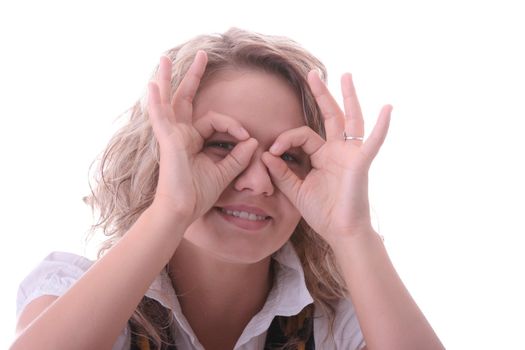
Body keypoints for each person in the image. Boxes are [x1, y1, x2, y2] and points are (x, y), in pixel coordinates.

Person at [11, 28, 444, 350]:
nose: (257, 182)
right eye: (222, 146)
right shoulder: (70, 290)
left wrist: (353, 233)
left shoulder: (339, 324)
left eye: (288, 156)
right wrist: (171, 209)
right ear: (160, 155)